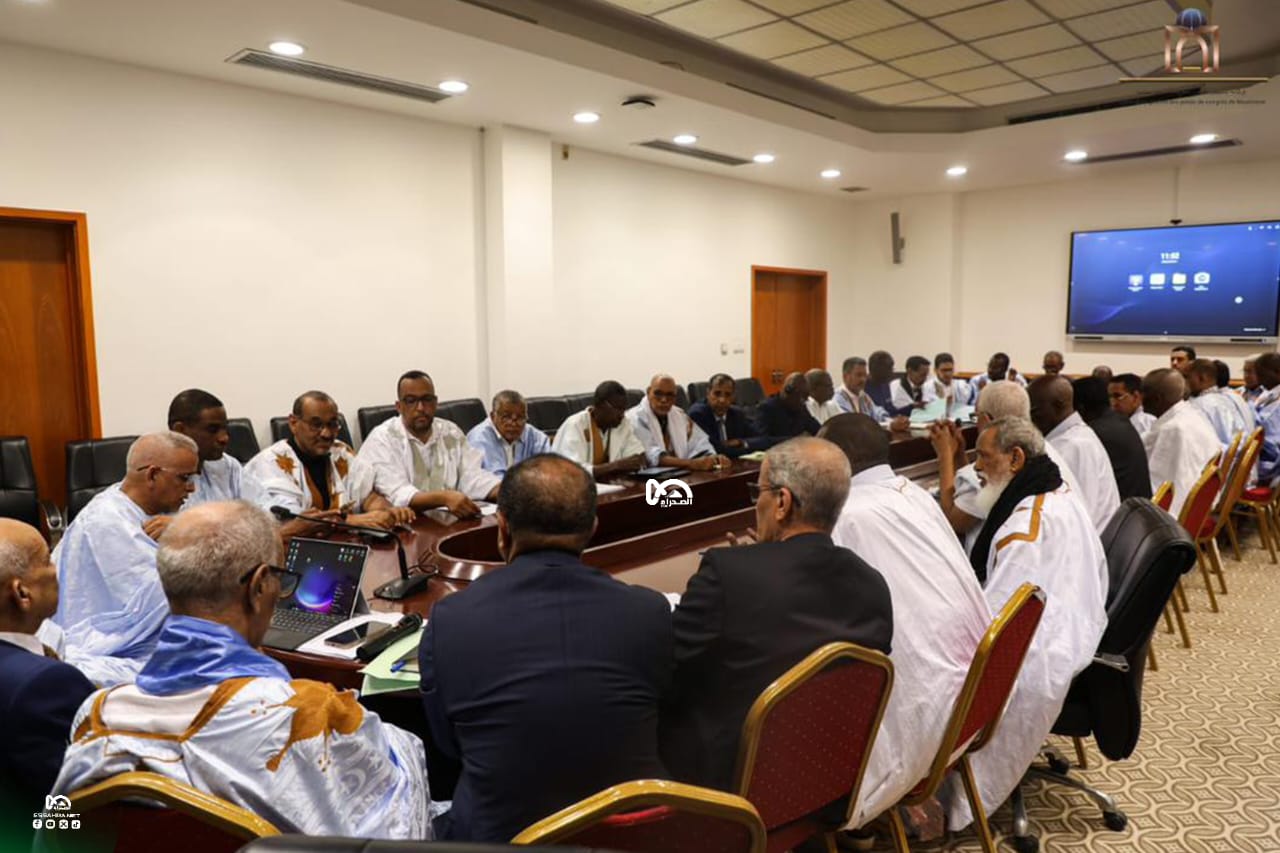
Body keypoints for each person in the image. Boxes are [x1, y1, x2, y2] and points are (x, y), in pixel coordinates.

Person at [52, 501, 431, 838]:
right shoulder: (307, 714)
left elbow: (54, 826)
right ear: (259, 586)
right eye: (281, 579)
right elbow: (390, 817)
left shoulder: (95, 715)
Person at [419, 455, 671, 842]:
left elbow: (448, 747)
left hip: (498, 837)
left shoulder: (450, 619)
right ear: (593, 528)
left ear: (502, 528)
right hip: (632, 838)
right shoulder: (649, 611)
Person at [661, 437, 893, 792]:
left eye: (759, 492)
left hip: (733, 789)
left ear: (782, 502)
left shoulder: (728, 574)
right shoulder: (873, 584)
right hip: (826, 782)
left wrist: (747, 566)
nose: (757, 503)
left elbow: (668, 665)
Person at [820, 416, 991, 830]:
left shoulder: (847, 516)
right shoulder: (912, 492)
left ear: (838, 460)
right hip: (974, 697)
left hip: (925, 717)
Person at [942, 417, 1107, 830]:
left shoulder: (1024, 528)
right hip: (1079, 627)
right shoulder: (1055, 490)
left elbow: (996, 627)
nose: (977, 467)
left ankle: (938, 796)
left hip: (1041, 654)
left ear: (1015, 459)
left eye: (983, 456)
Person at [52, 431, 199, 686]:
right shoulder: (107, 520)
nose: (192, 487)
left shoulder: (153, 509)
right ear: (152, 475)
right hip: (109, 644)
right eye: (184, 478)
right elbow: (172, 593)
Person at [0, 519, 96, 829]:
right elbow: (65, 812)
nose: (56, 569)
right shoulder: (44, 684)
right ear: (22, 593)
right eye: (47, 560)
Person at [931, 381, 1082, 552]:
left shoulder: (1001, 466)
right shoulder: (1042, 448)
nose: (977, 467)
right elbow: (968, 488)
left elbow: (953, 523)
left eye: (975, 417)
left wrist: (944, 455)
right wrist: (959, 454)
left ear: (987, 420)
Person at [246, 390, 413, 532]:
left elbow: (366, 495)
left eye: (332, 425)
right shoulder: (270, 464)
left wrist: (386, 511)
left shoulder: (340, 452)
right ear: (293, 423)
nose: (326, 434)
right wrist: (354, 521)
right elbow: (296, 523)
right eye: (316, 425)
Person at [361, 372, 501, 519]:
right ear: (399, 406)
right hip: (407, 523)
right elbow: (398, 492)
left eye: (427, 399)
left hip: (451, 522)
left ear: (435, 403)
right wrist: (445, 498)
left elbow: (472, 476)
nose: (420, 408)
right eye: (411, 401)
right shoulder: (383, 438)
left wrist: (503, 490)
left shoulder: (451, 432)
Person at [1028, 376, 1120, 533]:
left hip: (1093, 539)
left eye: (1035, 411)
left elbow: (1079, 514)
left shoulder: (1074, 445)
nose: (1030, 418)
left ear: (1058, 406)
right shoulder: (1074, 436)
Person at [1141, 368, 1221, 518]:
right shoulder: (1191, 413)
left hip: (1180, 516)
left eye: (1143, 395)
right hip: (1203, 503)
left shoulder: (1173, 429)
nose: (1140, 400)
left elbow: (1159, 488)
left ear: (1157, 399)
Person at [168, 388, 262, 510]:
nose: (224, 438)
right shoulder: (158, 476)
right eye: (212, 430)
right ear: (180, 430)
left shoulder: (228, 466)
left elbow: (263, 506)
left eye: (225, 429)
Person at [628, 374, 730, 471]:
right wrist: (690, 464)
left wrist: (713, 458)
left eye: (670, 395)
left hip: (680, 474)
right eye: (658, 393)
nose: (664, 400)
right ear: (648, 392)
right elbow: (651, 456)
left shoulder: (679, 415)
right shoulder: (635, 418)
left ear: (675, 398)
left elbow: (700, 442)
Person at [1073, 377, 1152, 500]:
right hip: (1137, 505)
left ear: (1080, 408)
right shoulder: (1119, 421)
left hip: (1123, 508)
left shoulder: (1093, 434)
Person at [551, 380, 647, 479]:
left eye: (623, 409)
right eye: (617, 409)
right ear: (600, 405)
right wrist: (615, 466)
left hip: (610, 484)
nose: (621, 415)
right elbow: (571, 469)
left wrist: (636, 461)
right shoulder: (575, 425)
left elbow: (638, 455)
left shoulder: (622, 424)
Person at [466, 389, 551, 476]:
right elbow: (487, 479)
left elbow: (547, 471)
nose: (513, 424)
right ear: (493, 416)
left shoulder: (536, 437)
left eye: (520, 418)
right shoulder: (478, 439)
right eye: (506, 417)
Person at [687, 373, 769, 459]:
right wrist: (746, 449)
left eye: (727, 395)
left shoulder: (736, 414)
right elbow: (717, 450)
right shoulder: (698, 414)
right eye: (717, 394)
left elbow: (763, 439)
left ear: (733, 397)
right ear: (708, 393)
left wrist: (741, 442)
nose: (722, 400)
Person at [1187, 358, 1254, 448]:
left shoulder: (1197, 406)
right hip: (1240, 452)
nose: (1184, 382)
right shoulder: (1228, 399)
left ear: (1202, 378)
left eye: (1187, 377)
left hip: (1221, 454)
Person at [835, 357, 909, 430]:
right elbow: (852, 425)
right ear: (845, 377)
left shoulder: (863, 396)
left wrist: (894, 421)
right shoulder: (838, 398)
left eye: (865, 375)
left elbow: (878, 413)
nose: (863, 379)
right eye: (859, 375)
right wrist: (890, 425)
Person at [756, 372, 822, 440]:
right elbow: (761, 440)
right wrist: (794, 440)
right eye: (802, 396)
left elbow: (818, 430)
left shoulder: (801, 409)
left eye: (806, 398)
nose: (803, 402)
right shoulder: (766, 409)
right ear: (787, 391)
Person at [1251, 353, 1280, 485]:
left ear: (1277, 372)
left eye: (1261, 374)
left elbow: (1273, 444)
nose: (1258, 378)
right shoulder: (1268, 394)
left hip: (1271, 465)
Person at [865, 351, 900, 415]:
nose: (892, 372)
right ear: (877, 370)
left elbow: (890, 409)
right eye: (889, 369)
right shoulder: (862, 388)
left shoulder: (885, 385)